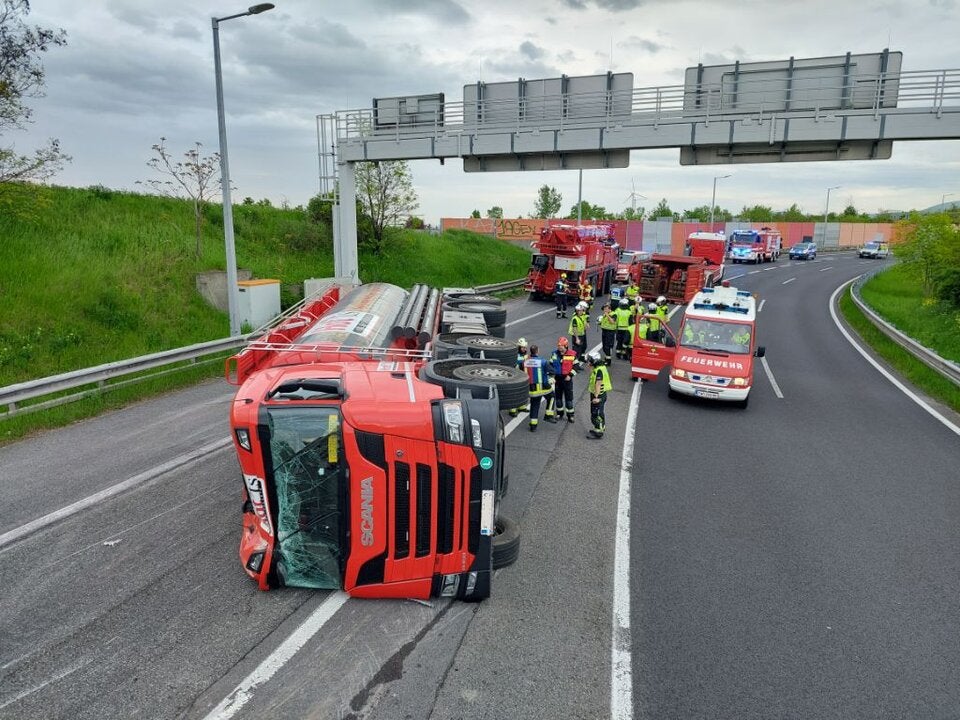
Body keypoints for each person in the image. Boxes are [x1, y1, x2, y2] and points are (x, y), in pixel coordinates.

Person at [548, 336, 580, 423]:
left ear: (566, 346)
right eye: (558, 346)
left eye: (561, 346)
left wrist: (570, 375)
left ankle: (570, 415)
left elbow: (576, 366)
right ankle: (559, 413)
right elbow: (550, 365)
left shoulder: (572, 354)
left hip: (567, 379)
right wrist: (551, 376)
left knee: (569, 399)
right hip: (558, 379)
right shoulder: (554, 354)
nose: (559, 347)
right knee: (558, 398)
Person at [523, 344, 553, 431]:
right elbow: (551, 371)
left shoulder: (525, 361)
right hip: (542, 387)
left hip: (531, 388)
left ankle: (533, 425)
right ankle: (548, 415)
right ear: (537, 351)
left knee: (534, 404)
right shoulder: (542, 361)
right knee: (552, 397)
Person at [585, 352, 612, 438]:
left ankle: (599, 432)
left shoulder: (599, 370)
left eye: (590, 360)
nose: (588, 362)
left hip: (599, 395)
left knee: (596, 413)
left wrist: (596, 397)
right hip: (598, 394)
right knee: (596, 412)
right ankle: (598, 428)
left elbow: (598, 384)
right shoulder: (599, 367)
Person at [508, 338, 531, 417]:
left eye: (525, 347)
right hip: (515, 376)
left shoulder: (526, 355)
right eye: (523, 347)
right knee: (514, 392)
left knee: (523, 391)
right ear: (518, 347)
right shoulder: (515, 355)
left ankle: (521, 406)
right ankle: (512, 409)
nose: (524, 349)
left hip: (523, 376)